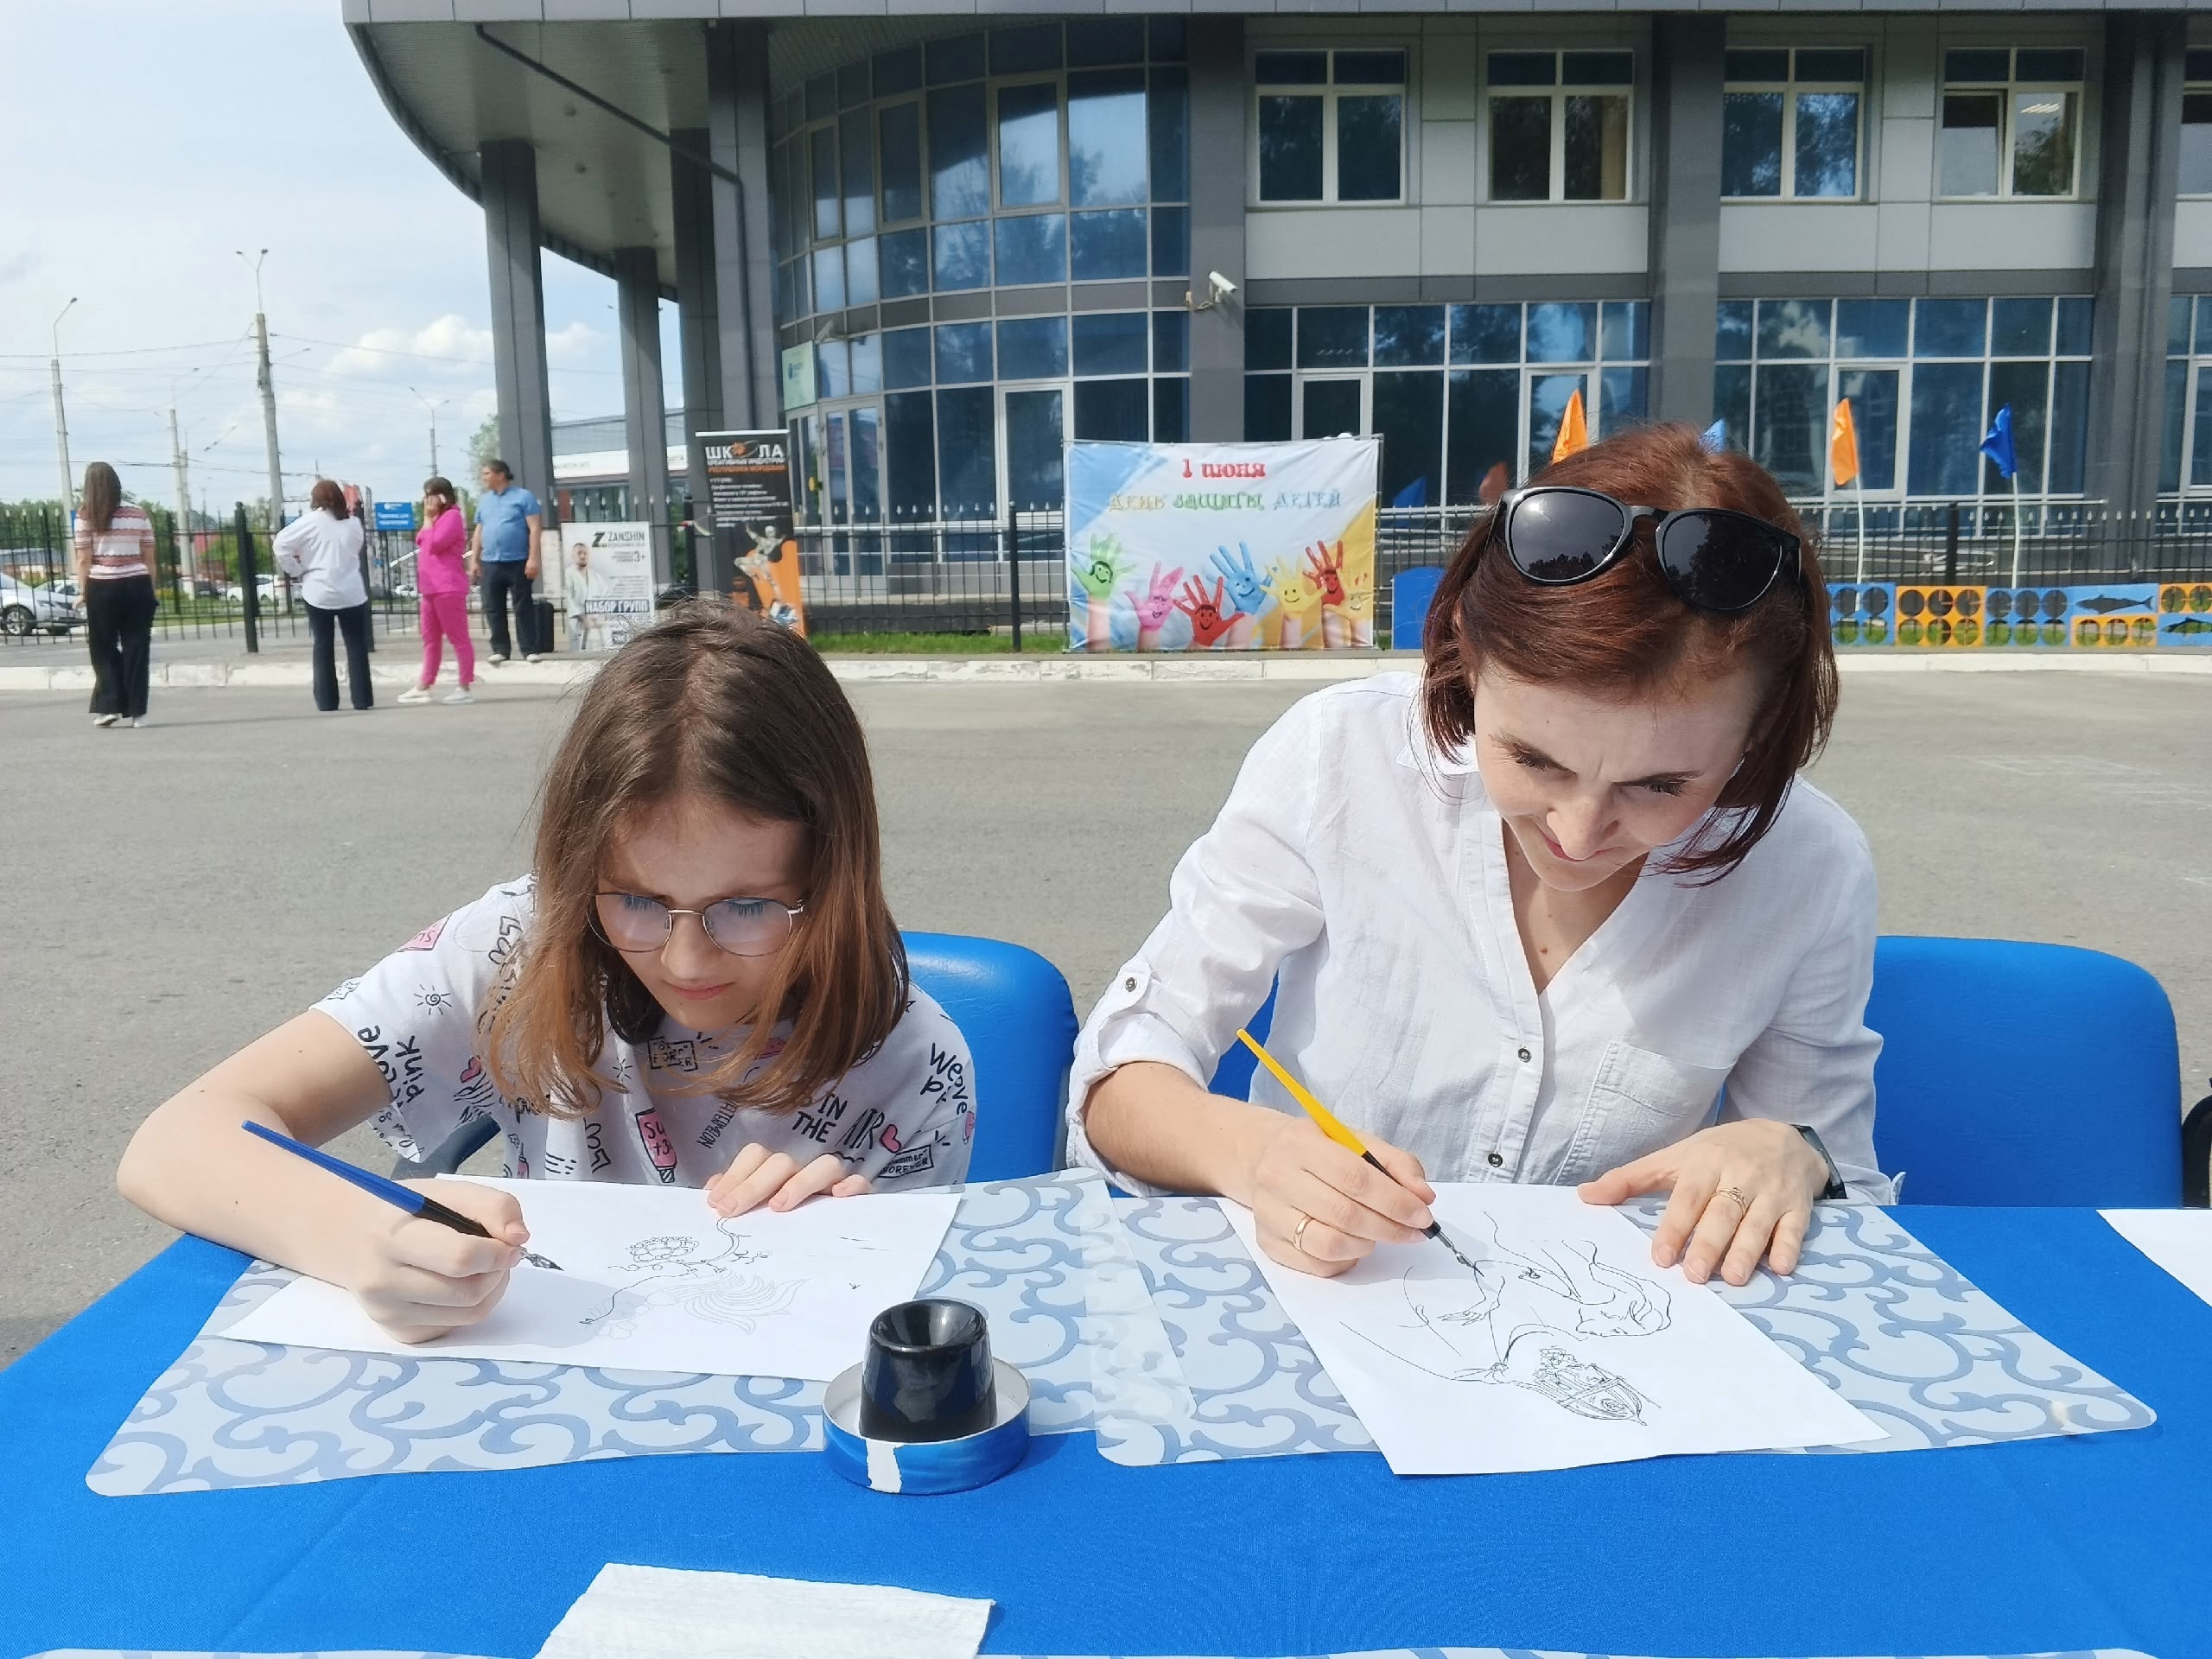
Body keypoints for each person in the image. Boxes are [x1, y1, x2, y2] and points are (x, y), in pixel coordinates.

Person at [1071, 423, 1888, 1294]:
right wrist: (1250, 1152)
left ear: (1760, 731)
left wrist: (1792, 1154)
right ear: (1464, 653)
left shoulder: (1808, 865)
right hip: (1324, 1302)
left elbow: (1841, 1182)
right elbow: (1120, 1080)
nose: (1579, 833)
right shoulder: (1341, 758)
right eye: (1533, 759)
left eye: (1660, 786)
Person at [118, 605, 976, 1341]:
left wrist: (838, 1251)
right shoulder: (516, 950)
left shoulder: (913, 1063)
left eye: (747, 907)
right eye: (634, 900)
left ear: (832, 879)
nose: (684, 960)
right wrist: (359, 1236)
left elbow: (877, 1351)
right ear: (575, 872)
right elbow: (173, 1143)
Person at [71, 461, 159, 729]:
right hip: (137, 585)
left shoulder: (86, 516)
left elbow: (84, 559)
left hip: (102, 587)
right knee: (137, 647)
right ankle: (139, 713)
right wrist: (151, 589)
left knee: (102, 647)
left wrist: (82, 592)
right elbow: (149, 557)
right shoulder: (138, 514)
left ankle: (110, 705)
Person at [273, 480, 372, 714]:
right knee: (356, 645)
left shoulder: (309, 522)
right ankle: (362, 699)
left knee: (323, 645)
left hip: (318, 590)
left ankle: (327, 701)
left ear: (315, 499)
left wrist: (296, 570)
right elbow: (356, 548)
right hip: (351, 591)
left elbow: (280, 545)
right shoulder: (353, 523)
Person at [397, 476, 475, 706]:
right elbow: (420, 539)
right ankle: (424, 685)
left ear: (442, 497)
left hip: (447, 586)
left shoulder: (452, 517)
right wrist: (428, 518)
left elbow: (434, 544)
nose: (427, 501)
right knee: (430, 638)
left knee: (458, 637)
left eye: (430, 496)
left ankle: (464, 686)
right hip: (430, 588)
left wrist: (430, 520)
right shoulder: (435, 518)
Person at [470, 457, 543, 664]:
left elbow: (535, 528)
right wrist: (474, 560)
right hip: (491, 562)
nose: (484, 478)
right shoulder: (484, 501)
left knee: (523, 605)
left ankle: (529, 649)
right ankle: (500, 649)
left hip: (518, 560)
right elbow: (478, 531)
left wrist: (533, 558)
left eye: (487, 473)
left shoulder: (523, 497)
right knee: (493, 607)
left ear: (500, 475)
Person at [563, 538, 595, 652]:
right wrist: (583, 617)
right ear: (573, 556)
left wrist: (594, 615)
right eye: (579, 553)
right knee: (577, 648)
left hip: (592, 617)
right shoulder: (569, 573)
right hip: (576, 618)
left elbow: (601, 594)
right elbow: (569, 598)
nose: (582, 556)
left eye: (585, 553)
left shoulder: (593, 575)